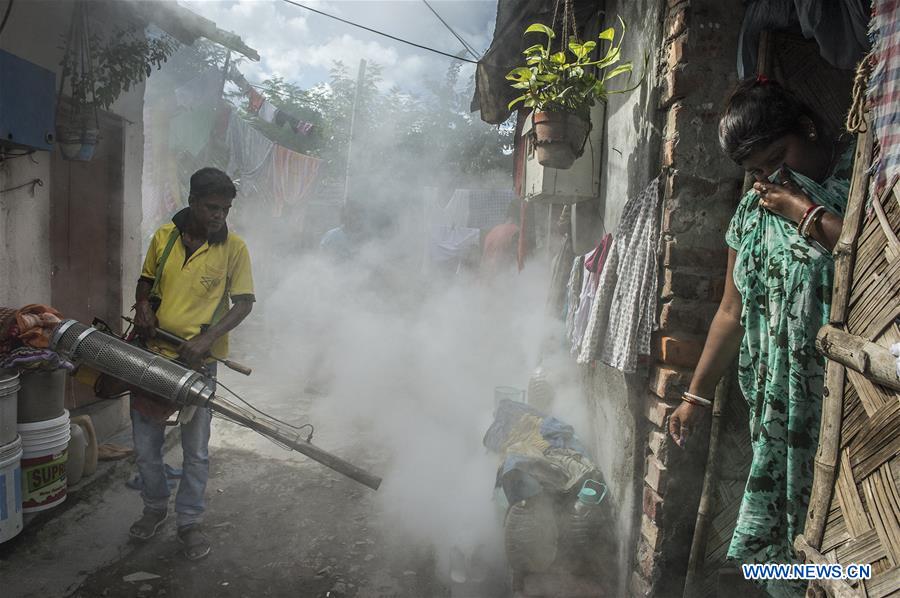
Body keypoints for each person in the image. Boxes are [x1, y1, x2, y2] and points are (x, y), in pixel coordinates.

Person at [667, 77, 852, 597]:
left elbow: (871, 256)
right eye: (756, 171)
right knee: (783, 544)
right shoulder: (753, 212)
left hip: (846, 402)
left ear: (808, 130)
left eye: (777, 157)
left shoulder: (862, 179)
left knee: (847, 537)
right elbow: (731, 309)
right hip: (777, 406)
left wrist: (806, 213)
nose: (772, 177)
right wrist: (695, 396)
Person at [130, 167, 255, 560]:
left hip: (199, 366)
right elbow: (145, 280)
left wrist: (207, 339)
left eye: (225, 208)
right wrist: (143, 306)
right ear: (192, 202)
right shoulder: (164, 238)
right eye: (212, 207)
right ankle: (154, 509)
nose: (220, 215)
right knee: (146, 447)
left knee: (196, 450)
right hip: (152, 356)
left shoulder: (234, 248)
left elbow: (245, 303)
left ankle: (189, 522)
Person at [480, 199, 521, 279]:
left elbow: (484, 255)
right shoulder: (516, 231)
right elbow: (515, 257)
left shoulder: (493, 230)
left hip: (486, 273)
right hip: (501, 274)